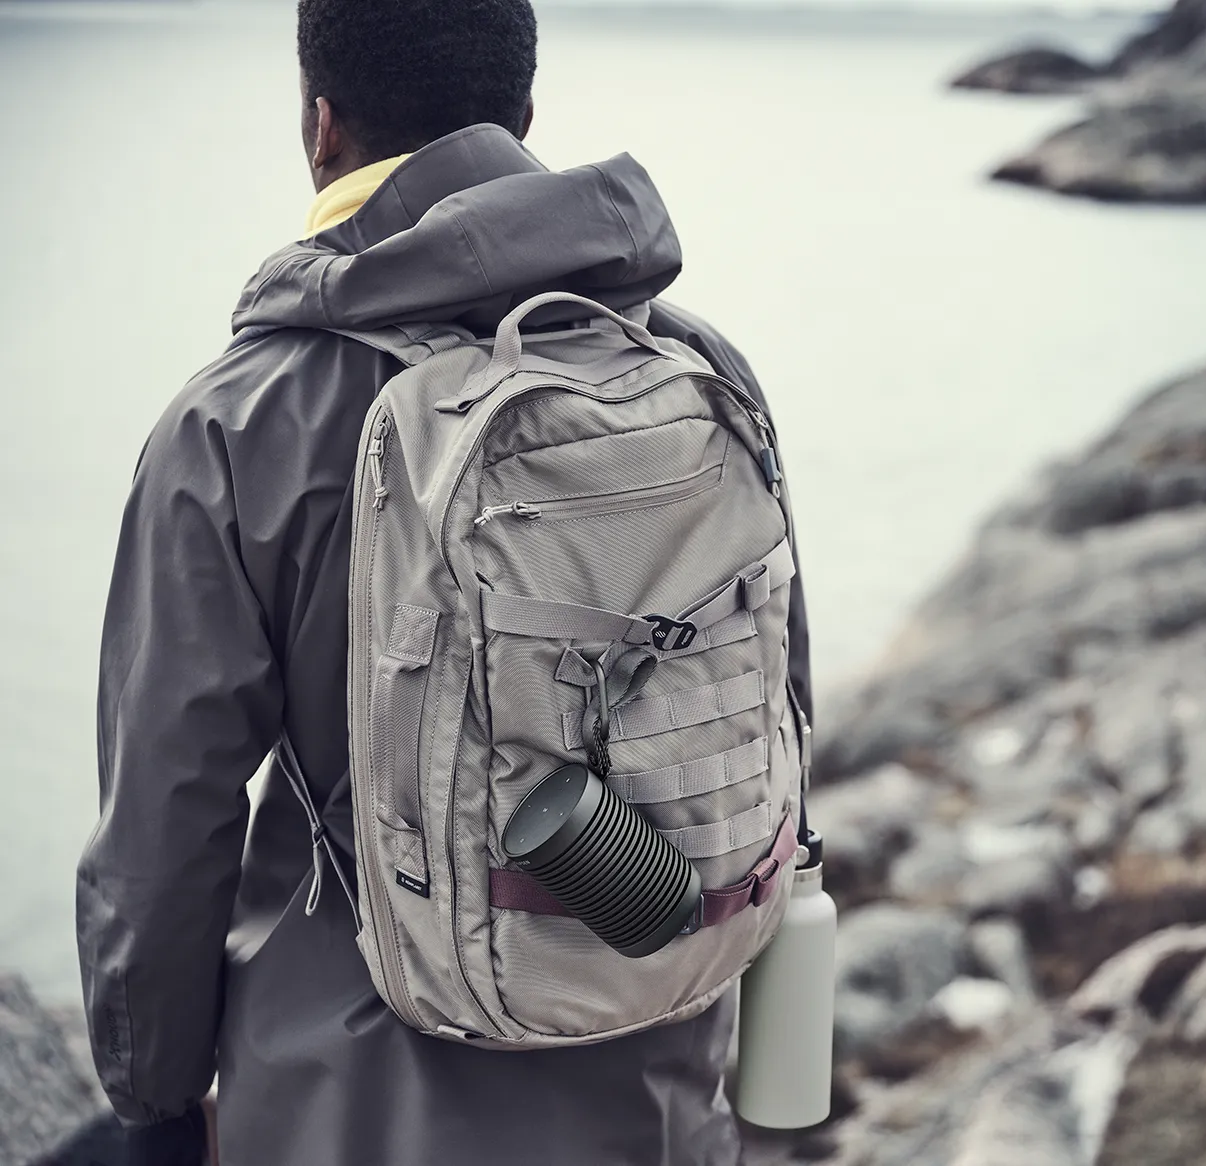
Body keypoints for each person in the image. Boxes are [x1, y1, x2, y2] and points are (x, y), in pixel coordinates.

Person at [75, 1, 811, 1162]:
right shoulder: (693, 364)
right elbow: (774, 710)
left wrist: (154, 1099)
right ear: (523, 115)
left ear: (320, 126)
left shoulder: (243, 418)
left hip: (349, 1101)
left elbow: (165, 824)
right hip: (659, 1080)